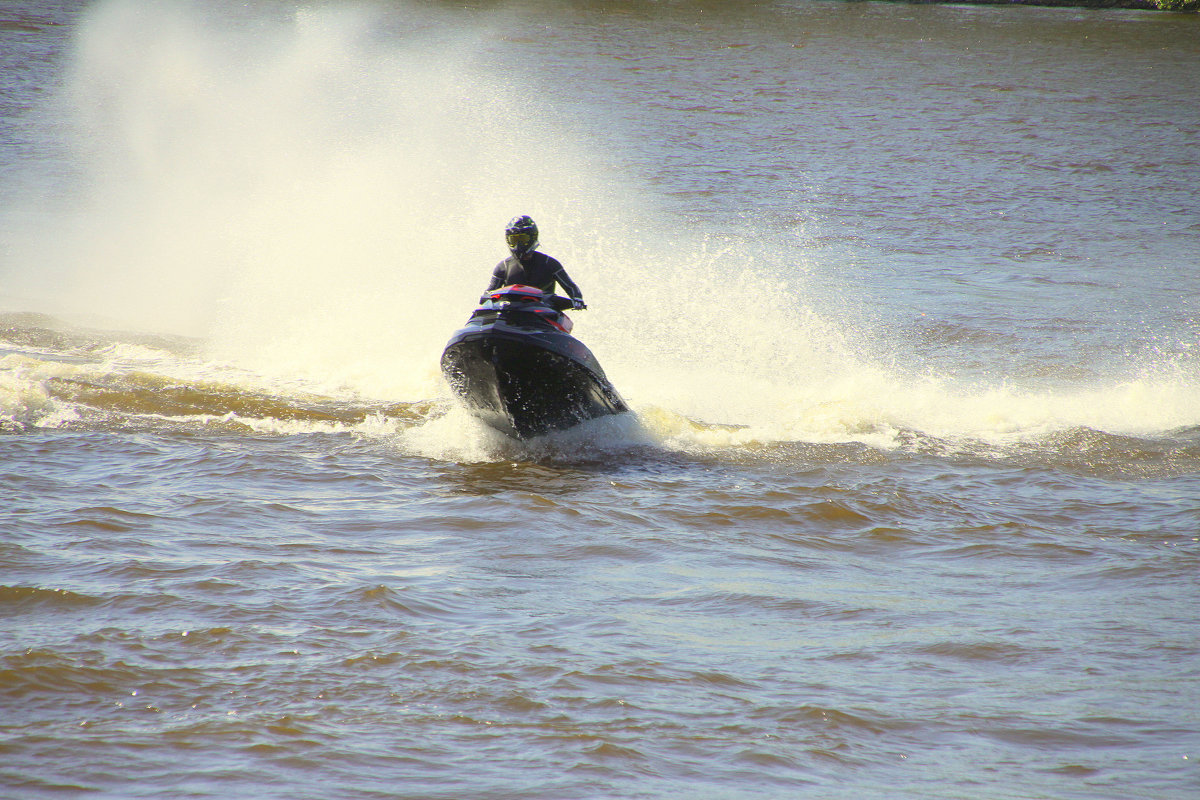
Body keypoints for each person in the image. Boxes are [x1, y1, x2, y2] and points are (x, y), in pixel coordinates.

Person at [483, 215, 586, 309]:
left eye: (523, 239)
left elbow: (570, 286)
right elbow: (489, 292)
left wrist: (577, 299)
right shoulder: (503, 267)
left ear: (533, 237)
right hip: (510, 315)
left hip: (542, 314)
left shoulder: (550, 263)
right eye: (513, 240)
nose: (519, 245)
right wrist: (486, 297)